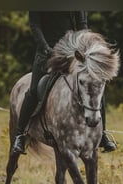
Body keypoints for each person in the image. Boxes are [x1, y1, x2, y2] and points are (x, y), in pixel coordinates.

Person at [12, 11, 116, 154]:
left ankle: (103, 134)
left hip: (72, 53)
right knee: (34, 90)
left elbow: (82, 26)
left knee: (94, 87)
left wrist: (83, 49)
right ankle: (20, 135)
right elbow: (35, 26)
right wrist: (45, 47)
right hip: (46, 53)